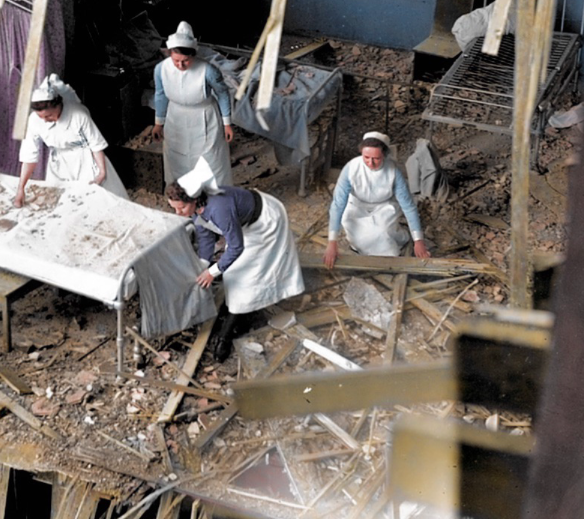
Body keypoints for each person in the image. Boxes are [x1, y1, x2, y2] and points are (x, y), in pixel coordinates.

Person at [167, 158, 304, 361]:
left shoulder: (219, 209)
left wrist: (212, 272)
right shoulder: (197, 211)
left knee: (242, 276)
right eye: (174, 209)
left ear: (194, 200)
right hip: (244, 227)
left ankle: (227, 333)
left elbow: (237, 247)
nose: (178, 213)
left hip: (265, 222)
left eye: (181, 209)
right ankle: (241, 308)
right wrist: (202, 267)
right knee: (234, 271)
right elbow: (205, 239)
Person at [14, 74, 128, 207]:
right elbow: (29, 156)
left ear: (57, 105)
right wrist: (21, 188)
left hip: (86, 160)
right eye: (41, 117)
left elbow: (96, 145)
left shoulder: (78, 115)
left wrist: (102, 173)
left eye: (49, 115)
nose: (45, 120)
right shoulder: (34, 121)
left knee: (97, 204)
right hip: (59, 164)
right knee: (63, 205)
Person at [323, 131, 431, 268]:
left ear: (384, 155)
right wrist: (332, 242)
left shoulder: (393, 172)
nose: (370, 163)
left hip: (384, 208)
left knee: (382, 233)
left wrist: (418, 240)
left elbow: (408, 206)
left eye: (376, 158)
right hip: (356, 207)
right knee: (360, 238)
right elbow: (338, 204)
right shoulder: (351, 168)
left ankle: (397, 237)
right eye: (366, 157)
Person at [152, 21, 235, 189]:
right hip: (175, 118)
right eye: (176, 60)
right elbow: (160, 95)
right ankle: (182, 198)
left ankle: (214, 198)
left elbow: (223, 94)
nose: (180, 65)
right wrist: (158, 123)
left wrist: (227, 123)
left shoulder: (208, 70)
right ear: (170, 54)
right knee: (177, 160)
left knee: (211, 161)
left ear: (193, 55)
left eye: (185, 61)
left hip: (205, 118)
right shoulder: (161, 69)